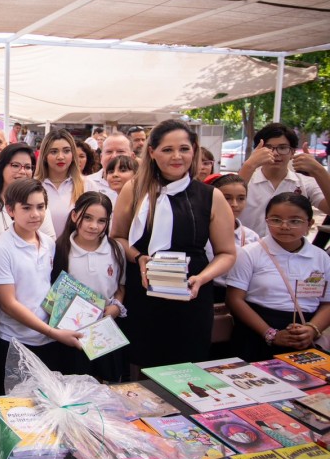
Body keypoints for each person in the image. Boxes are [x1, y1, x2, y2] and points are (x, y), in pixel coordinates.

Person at [111, 119, 236, 371]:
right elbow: (117, 237)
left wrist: (202, 278)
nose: (177, 156)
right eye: (167, 150)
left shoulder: (211, 196)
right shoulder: (134, 190)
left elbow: (227, 253)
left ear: (194, 150)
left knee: (187, 370)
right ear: (152, 152)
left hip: (190, 295)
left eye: (184, 149)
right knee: (141, 365)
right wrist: (138, 257)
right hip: (144, 292)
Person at [0, 144, 55, 400]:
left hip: (30, 309)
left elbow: (46, 246)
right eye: (15, 165)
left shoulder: (37, 203)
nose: (22, 171)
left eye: (28, 166)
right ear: (2, 166)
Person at [0, 179, 83, 395]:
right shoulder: (2, 248)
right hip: (17, 342)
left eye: (40, 207)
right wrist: (53, 332)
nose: (35, 214)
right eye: (27, 208)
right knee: (17, 406)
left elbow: (54, 289)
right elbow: (8, 303)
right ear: (11, 210)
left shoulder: (49, 244)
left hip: (49, 340)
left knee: (47, 401)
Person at [226, 193, 330, 362]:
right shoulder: (250, 253)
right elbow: (235, 300)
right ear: (266, 220)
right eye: (275, 220)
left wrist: (312, 329)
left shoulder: (321, 257)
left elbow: (327, 303)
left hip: (303, 336)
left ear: (309, 224)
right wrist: (270, 334)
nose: (284, 226)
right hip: (256, 332)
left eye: (295, 221)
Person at [52, 191, 127, 381]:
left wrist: (116, 308)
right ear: (75, 215)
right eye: (87, 218)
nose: (94, 226)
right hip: (73, 335)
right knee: (76, 384)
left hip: (105, 331)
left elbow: (120, 286)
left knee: (107, 383)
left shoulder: (116, 250)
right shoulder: (59, 250)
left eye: (101, 221)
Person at [238, 123, 330, 237]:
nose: (275, 153)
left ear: (292, 152)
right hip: (246, 250)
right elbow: (222, 207)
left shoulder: (304, 183)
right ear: (257, 150)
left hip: (290, 252)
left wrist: (319, 170)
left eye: (282, 148)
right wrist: (249, 165)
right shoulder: (246, 179)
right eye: (268, 148)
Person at [205, 174, 260, 303]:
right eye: (227, 198)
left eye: (241, 198)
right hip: (205, 292)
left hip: (240, 297)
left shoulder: (251, 237)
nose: (234, 204)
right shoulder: (200, 233)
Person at [35, 128, 93, 237]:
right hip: (39, 251)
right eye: (54, 151)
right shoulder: (33, 185)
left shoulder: (87, 185)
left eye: (66, 151)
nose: (60, 157)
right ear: (44, 156)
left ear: (73, 155)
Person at [87, 133, 134, 204]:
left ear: (132, 156)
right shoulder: (86, 183)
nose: (114, 156)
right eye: (109, 152)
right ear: (101, 157)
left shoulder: (143, 185)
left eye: (120, 151)